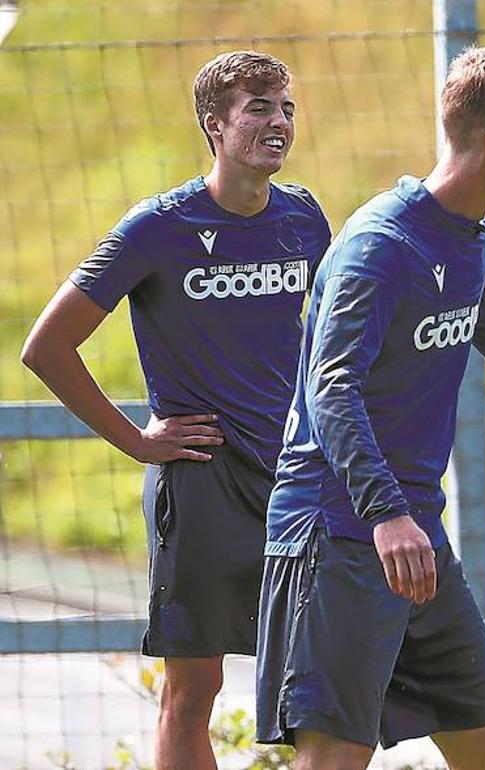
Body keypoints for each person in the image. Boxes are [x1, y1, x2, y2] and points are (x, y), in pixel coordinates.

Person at [254, 46, 485, 769]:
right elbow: (329, 388)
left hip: (415, 536)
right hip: (342, 532)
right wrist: (385, 513)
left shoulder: (465, 240)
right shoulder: (381, 247)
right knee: (334, 760)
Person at [21, 51, 330, 770]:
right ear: (214, 125)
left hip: (296, 485)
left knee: (321, 679)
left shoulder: (306, 219)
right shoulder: (156, 228)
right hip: (202, 486)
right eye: (259, 108)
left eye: (286, 107)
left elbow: (337, 335)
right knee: (195, 690)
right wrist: (135, 440)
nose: (278, 121)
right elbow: (46, 346)